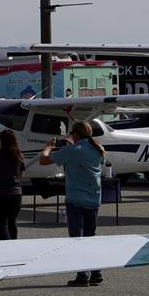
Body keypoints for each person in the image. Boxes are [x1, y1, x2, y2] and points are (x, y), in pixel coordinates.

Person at [40, 121, 107, 285]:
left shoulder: (72, 151)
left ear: (76, 135)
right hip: (94, 198)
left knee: (76, 238)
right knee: (91, 237)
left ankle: (82, 275)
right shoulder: (98, 149)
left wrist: (48, 147)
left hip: (76, 198)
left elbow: (44, 160)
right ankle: (96, 271)